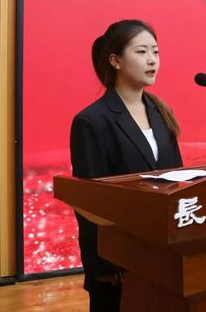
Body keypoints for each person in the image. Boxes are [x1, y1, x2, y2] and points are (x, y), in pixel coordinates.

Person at [70, 20, 183, 312]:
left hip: (163, 258)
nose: (152, 60)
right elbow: (89, 204)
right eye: (142, 52)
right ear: (115, 60)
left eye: (156, 52)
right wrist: (105, 265)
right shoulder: (92, 121)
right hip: (118, 266)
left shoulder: (161, 113)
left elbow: (178, 181)